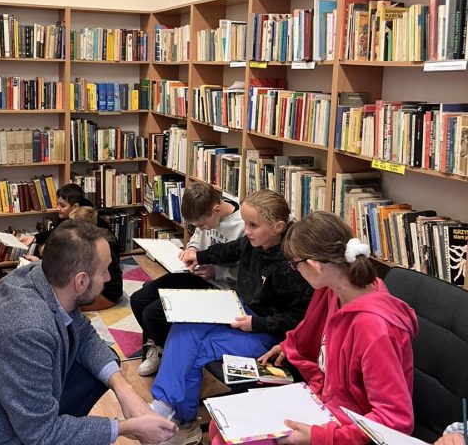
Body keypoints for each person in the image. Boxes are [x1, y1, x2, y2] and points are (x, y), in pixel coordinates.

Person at [0, 220, 177, 445]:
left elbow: (84, 334)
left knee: (105, 363)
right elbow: (41, 434)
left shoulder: (40, 274)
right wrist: (124, 427)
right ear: (81, 281)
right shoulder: (28, 330)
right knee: (52, 426)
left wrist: (126, 392)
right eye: (104, 270)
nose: (109, 278)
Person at [208, 211, 419, 445]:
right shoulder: (335, 288)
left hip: (347, 426)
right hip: (325, 402)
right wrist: (286, 345)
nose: (295, 270)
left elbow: (394, 420)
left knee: (232, 438)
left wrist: (318, 437)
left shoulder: (374, 329)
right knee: (220, 426)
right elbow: (312, 327)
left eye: (295, 264)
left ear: (315, 265)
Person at [150, 190, 313, 445]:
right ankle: (163, 404)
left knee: (196, 351)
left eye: (253, 225)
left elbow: (300, 317)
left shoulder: (291, 265)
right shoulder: (254, 242)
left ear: (278, 227)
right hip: (239, 308)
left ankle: (183, 421)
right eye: (245, 223)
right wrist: (198, 255)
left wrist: (256, 324)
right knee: (184, 323)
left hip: (265, 333)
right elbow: (231, 249)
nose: (246, 231)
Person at [131, 182, 244, 376]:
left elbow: (247, 272)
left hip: (222, 288)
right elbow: (197, 236)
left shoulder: (242, 225)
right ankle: (159, 346)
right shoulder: (207, 215)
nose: (200, 229)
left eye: (201, 225)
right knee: (138, 299)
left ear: (216, 211)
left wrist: (217, 272)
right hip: (198, 275)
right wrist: (191, 248)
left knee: (153, 313)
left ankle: (176, 357)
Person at [22, 182, 123, 310]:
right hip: (94, 286)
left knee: (52, 300)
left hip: (105, 294)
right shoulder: (83, 227)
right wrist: (39, 261)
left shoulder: (90, 246)